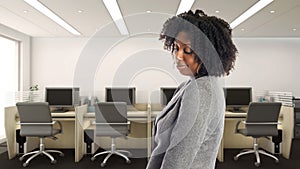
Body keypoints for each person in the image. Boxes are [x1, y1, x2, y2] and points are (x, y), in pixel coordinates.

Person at [146, 9, 237, 169]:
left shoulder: (201, 90)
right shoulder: (194, 84)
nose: (178, 56)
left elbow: (179, 158)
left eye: (187, 49)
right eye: (176, 47)